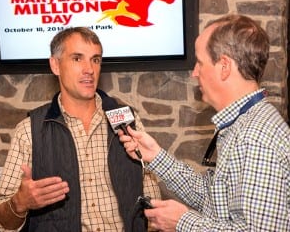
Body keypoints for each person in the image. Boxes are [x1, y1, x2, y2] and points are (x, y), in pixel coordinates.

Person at [118, 14, 290, 231]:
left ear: (224, 66)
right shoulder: (241, 124)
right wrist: (156, 156)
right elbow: (214, 198)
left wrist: (183, 222)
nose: (194, 73)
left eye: (200, 62)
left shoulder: (255, 137)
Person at [0, 27, 161, 232]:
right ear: (55, 65)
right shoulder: (30, 131)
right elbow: (2, 223)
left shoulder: (128, 121)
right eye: (77, 58)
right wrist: (19, 203)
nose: (89, 69)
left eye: (95, 59)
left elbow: (152, 200)